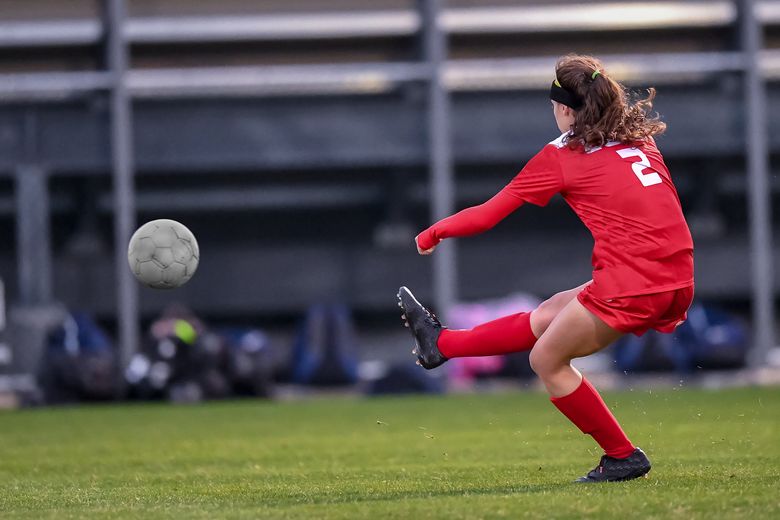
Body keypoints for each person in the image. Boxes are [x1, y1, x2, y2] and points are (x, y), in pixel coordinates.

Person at [397, 54, 694, 483]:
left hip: (635, 281)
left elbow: (487, 214)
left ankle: (622, 456)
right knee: (552, 312)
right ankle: (441, 344)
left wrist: (432, 233)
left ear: (566, 110)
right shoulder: (640, 140)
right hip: (676, 275)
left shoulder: (563, 155)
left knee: (547, 360)